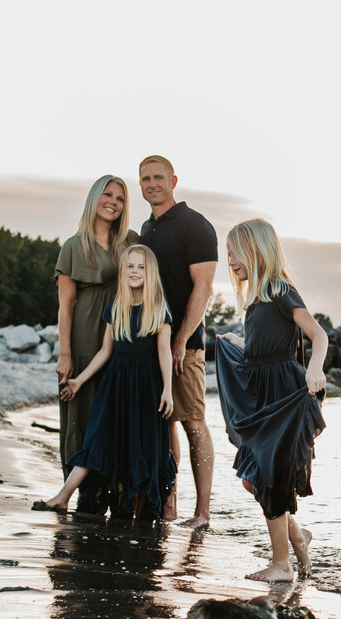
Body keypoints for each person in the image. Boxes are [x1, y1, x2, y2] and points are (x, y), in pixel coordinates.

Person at [214, 218, 328, 583]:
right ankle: (297, 534)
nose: (230, 260)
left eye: (236, 252)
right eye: (228, 253)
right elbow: (263, 349)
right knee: (253, 478)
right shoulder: (256, 301)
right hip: (261, 396)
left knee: (269, 476)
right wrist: (239, 344)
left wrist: (315, 369)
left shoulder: (281, 291)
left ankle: (281, 564)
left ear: (257, 250)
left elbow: (318, 334)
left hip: (283, 396)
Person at [33, 245, 177, 520]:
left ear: (151, 273)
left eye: (141, 267)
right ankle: (62, 497)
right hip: (114, 387)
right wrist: (79, 380)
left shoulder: (159, 309)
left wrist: (168, 391)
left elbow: (164, 353)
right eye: (130, 267)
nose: (135, 272)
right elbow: (105, 352)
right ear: (123, 272)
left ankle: (145, 513)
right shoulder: (116, 307)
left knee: (142, 449)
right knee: (97, 441)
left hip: (146, 388)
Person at [137, 155, 219, 528]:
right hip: (149, 343)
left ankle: (202, 512)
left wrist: (182, 340)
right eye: (145, 179)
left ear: (173, 180)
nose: (151, 184)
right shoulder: (146, 229)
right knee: (164, 423)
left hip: (186, 345)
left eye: (158, 177)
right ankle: (169, 504)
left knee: (193, 423)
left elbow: (203, 289)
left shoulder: (195, 225)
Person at [54, 175, 138, 482]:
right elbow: (66, 305)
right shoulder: (74, 247)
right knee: (83, 412)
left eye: (120, 198)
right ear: (94, 198)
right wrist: (65, 354)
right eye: (108, 195)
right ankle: (80, 492)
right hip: (85, 335)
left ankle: (115, 488)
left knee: (116, 411)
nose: (113, 202)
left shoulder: (131, 241)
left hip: (123, 336)